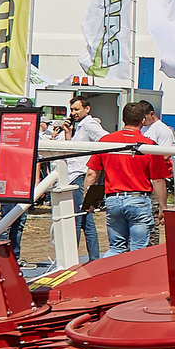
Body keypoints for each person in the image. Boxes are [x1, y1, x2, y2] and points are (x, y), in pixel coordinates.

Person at [94, 100, 168, 254]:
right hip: (138, 200)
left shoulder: (105, 141)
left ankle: (107, 275)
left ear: (123, 119)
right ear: (142, 120)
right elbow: (158, 180)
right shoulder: (149, 145)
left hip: (113, 199)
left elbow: (92, 173)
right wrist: (163, 206)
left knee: (115, 247)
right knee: (138, 250)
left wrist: (89, 199)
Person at [62, 95, 105, 260]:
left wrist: (94, 162)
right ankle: (93, 258)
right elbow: (71, 152)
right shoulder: (78, 126)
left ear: (87, 109)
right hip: (75, 174)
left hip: (81, 175)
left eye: (76, 109)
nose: (73, 113)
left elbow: (104, 138)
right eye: (71, 109)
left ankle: (73, 259)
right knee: (86, 220)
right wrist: (67, 134)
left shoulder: (89, 124)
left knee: (78, 219)